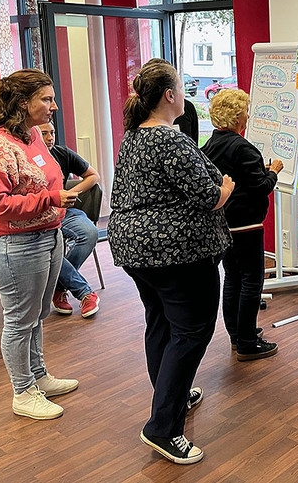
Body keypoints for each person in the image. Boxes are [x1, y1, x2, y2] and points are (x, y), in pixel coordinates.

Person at [108, 59, 234, 465]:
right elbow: (209, 194)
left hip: (135, 251)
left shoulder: (132, 138)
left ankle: (170, 394)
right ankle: (163, 427)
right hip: (175, 254)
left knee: (161, 322)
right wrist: (227, 188)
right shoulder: (170, 140)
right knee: (192, 332)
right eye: (181, 87)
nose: (185, 93)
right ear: (168, 95)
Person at [0, 69, 80, 420]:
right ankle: (22, 392)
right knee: (20, 321)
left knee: (39, 314)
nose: (54, 106)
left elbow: (46, 179)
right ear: (23, 103)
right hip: (16, 246)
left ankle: (38, 376)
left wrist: (52, 202)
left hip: (48, 238)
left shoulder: (33, 135)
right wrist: (50, 200)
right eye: (46, 99)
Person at [201, 89, 283, 361]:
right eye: (245, 111)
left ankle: (238, 335)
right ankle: (248, 342)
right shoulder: (243, 148)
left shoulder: (208, 146)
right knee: (251, 281)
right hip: (246, 225)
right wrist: (273, 171)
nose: (248, 115)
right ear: (238, 118)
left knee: (233, 278)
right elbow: (260, 188)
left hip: (223, 225)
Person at [39, 121, 100, 318]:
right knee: (47, 243)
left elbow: (93, 176)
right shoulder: (27, 159)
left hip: (63, 213)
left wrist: (69, 192)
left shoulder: (62, 153)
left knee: (89, 232)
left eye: (52, 133)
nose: (50, 138)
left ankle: (59, 286)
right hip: (38, 219)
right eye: (44, 134)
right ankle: (83, 291)